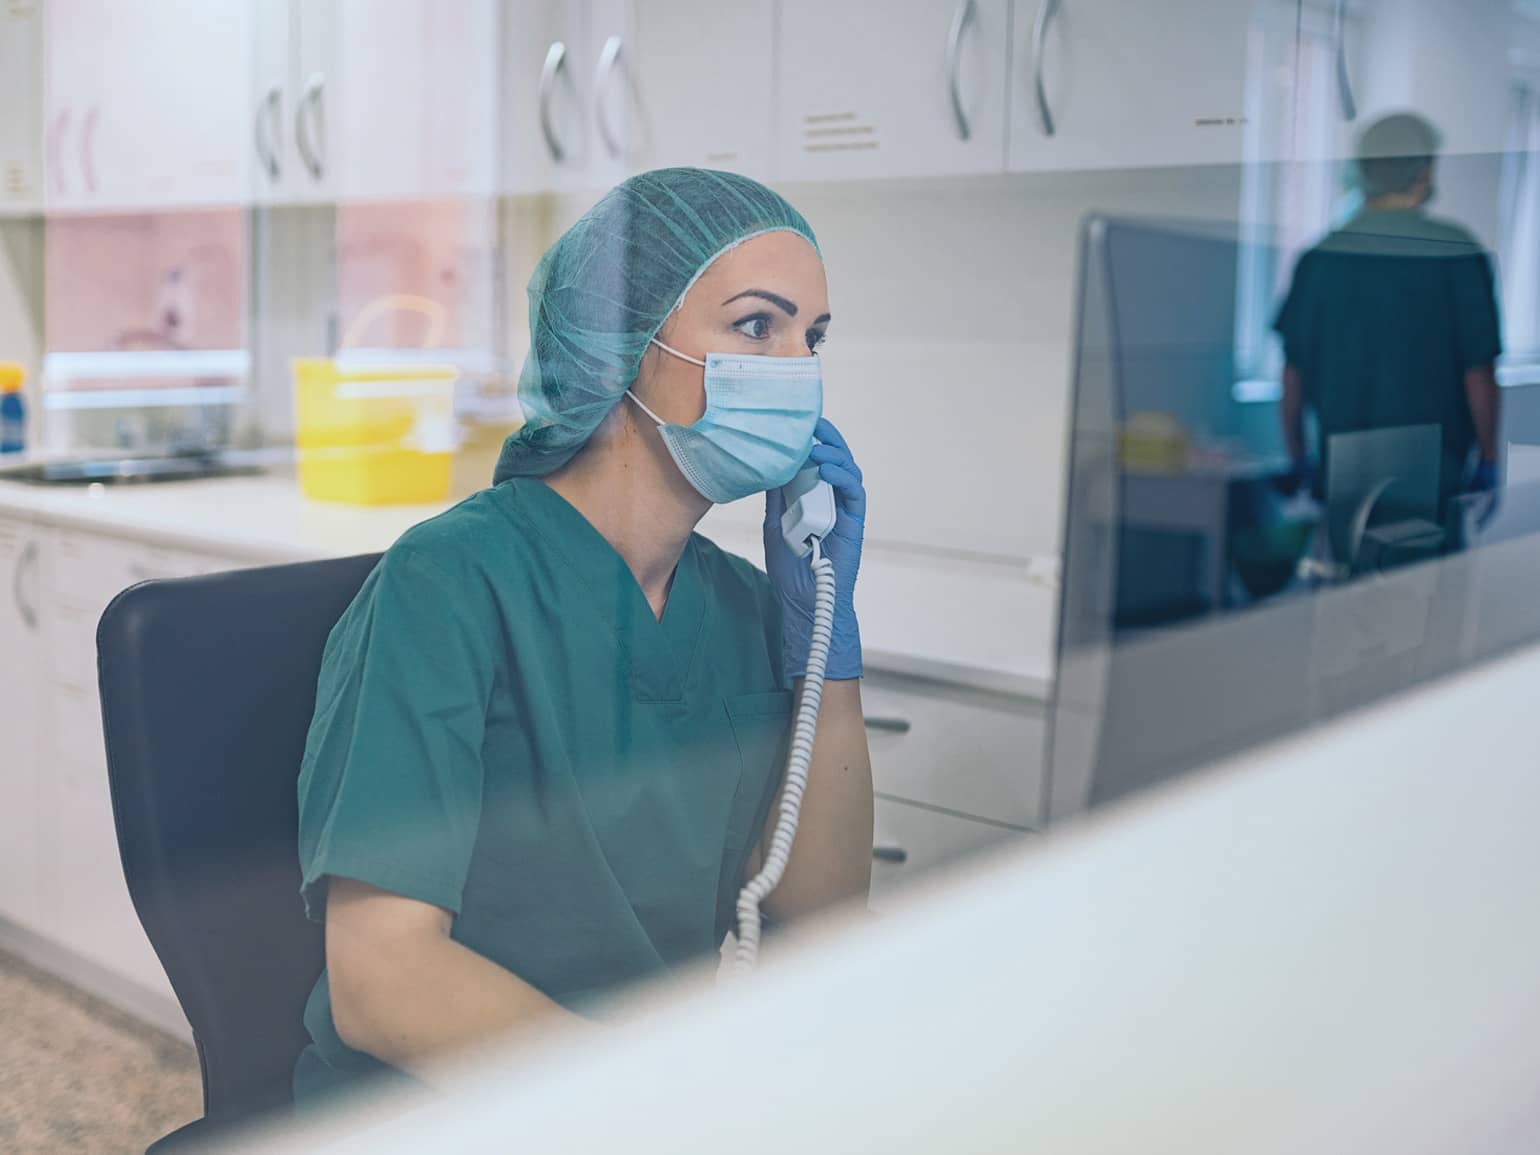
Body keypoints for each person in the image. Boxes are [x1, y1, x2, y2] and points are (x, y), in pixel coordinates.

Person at [292, 169, 874, 1100]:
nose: (796, 368)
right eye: (758, 325)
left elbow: (820, 921)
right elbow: (381, 980)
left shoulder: (747, 606)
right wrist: (647, 1099)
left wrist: (826, 656)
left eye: (814, 337)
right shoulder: (448, 584)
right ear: (625, 344)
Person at [1274, 112, 1503, 530]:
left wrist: (1298, 457)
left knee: (1348, 569)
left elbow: (1293, 373)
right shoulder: (1456, 253)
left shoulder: (1320, 259)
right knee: (1427, 571)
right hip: (1431, 476)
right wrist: (1489, 459)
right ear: (1424, 169)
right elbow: (1479, 370)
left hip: (1343, 473)